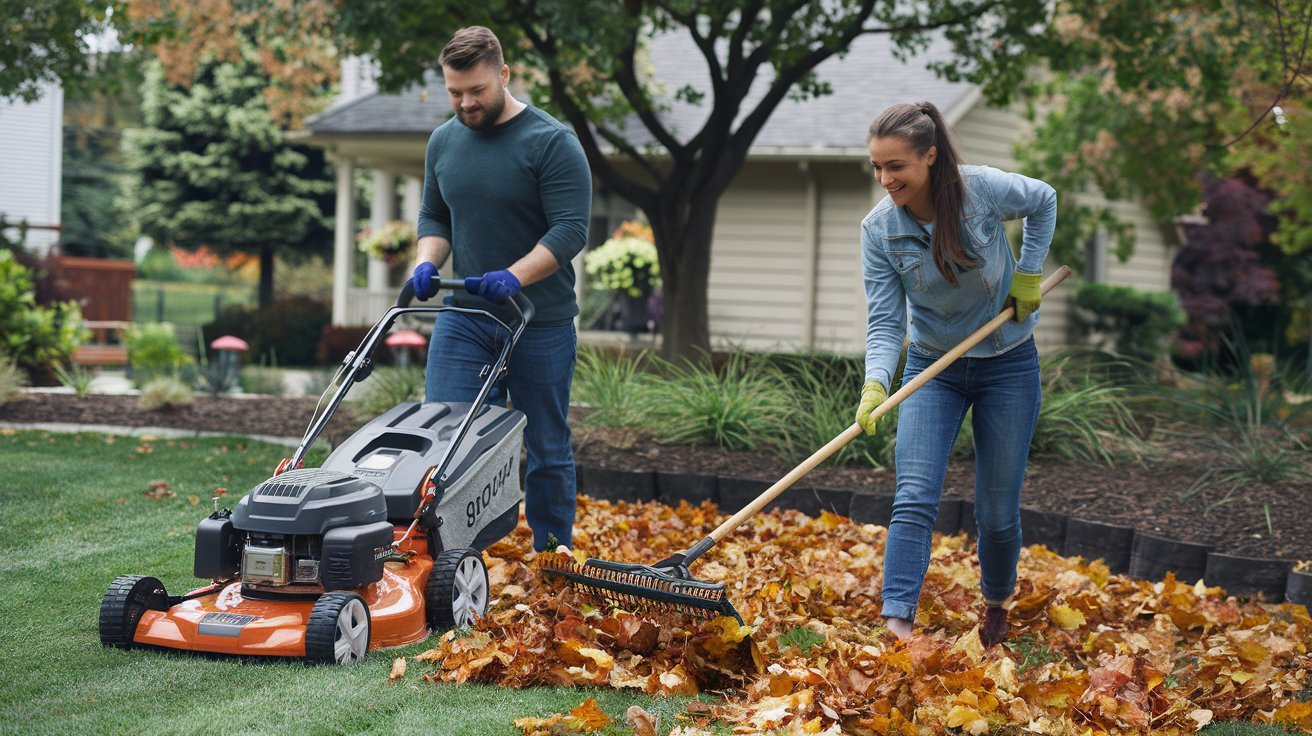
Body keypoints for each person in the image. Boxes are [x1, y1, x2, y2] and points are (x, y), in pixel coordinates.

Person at [855, 101, 1056, 647]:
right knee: (914, 494)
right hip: (932, 368)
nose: (885, 179)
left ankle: (996, 602)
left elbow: (1044, 200)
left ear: (930, 156)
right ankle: (897, 622)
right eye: (876, 166)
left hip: (1008, 363)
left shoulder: (982, 190)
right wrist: (878, 382)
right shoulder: (878, 231)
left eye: (896, 166)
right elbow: (884, 319)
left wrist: (1029, 273)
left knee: (994, 511)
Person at [411, 26, 592, 552]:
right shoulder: (443, 141)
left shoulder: (552, 141)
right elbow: (433, 216)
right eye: (455, 92)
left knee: (546, 447)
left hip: (540, 319)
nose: (466, 102)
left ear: (504, 75)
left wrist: (514, 275)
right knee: (445, 439)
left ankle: (552, 557)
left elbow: (569, 231)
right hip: (465, 318)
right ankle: (447, 562)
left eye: (477, 91)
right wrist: (426, 262)